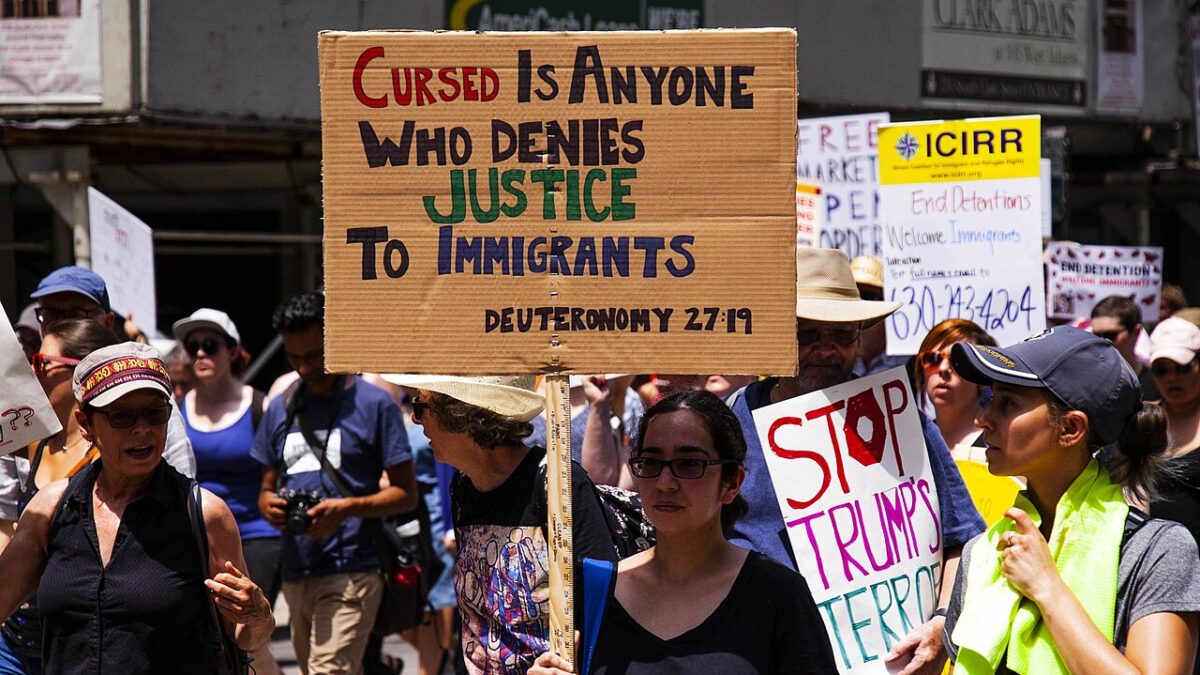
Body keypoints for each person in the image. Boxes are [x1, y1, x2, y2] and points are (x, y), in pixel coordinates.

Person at [727, 248, 986, 675]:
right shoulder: (728, 427)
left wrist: (942, 622)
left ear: (861, 338)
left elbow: (961, 539)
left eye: (842, 336)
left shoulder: (905, 422)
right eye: (808, 333)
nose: (825, 350)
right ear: (779, 334)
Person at [0, 342, 275, 674]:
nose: (142, 429)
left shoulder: (204, 514)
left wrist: (259, 616)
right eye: (122, 417)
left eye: (154, 413)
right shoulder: (50, 508)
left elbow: (246, 636)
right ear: (85, 423)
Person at [944, 326, 1200, 673]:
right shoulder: (984, 553)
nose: (982, 419)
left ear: (1070, 429)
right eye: (991, 398)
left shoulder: (1158, 550)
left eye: (1007, 403)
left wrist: (1048, 589)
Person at [530, 390, 838, 674]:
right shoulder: (595, 592)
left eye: (689, 464)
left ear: (732, 483)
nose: (665, 482)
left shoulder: (779, 595)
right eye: (650, 462)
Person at [382, 373, 619, 674]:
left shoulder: (556, 483)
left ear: (462, 414)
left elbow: (603, 599)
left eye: (421, 407)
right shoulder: (464, 488)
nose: (417, 421)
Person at [252, 291, 418, 675]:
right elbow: (264, 489)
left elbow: (406, 495)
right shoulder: (282, 407)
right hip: (297, 571)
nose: (305, 368)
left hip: (354, 567)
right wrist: (270, 507)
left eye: (314, 355)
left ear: (335, 341)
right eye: (295, 358)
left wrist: (346, 509)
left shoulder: (374, 404)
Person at [0, 319, 121, 674]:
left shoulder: (110, 455)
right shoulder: (33, 443)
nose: (31, 373)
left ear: (84, 373)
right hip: (15, 639)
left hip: (77, 641)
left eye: (41, 363)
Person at [175, 308, 281, 675]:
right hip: (200, 534)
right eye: (193, 346)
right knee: (210, 633)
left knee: (248, 633)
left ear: (232, 351)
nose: (201, 353)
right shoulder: (175, 409)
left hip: (257, 534)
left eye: (210, 345)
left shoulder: (260, 405)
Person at [30, 266, 197, 477]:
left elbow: (181, 479)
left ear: (108, 322)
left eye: (76, 314)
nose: (61, 325)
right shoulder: (28, 405)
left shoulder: (147, 388)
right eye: (50, 314)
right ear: (84, 422)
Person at [914, 319, 998, 451]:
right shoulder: (910, 445)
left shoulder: (1000, 445)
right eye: (933, 359)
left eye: (957, 361)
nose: (943, 368)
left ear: (982, 377)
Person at [1091, 295, 1159, 401]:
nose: (1101, 341)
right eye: (1095, 335)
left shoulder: (1157, 385)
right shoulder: (1085, 384)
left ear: (1136, 333)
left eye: (1110, 335)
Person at [850, 255, 908, 377]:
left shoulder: (909, 363)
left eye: (868, 297)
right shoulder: (833, 357)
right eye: (851, 296)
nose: (858, 304)